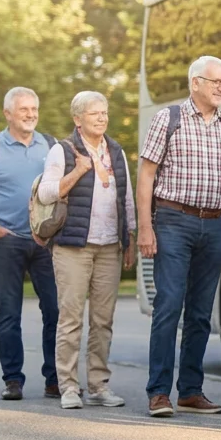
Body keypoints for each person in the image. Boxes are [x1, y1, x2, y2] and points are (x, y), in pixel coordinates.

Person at [137, 56, 221, 418]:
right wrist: (145, 227)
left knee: (199, 313)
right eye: (216, 82)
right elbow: (146, 174)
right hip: (172, 220)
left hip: (214, 224)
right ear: (195, 83)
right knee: (168, 306)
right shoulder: (169, 118)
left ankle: (190, 391)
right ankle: (159, 392)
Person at [0, 87, 61, 401]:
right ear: (8, 114)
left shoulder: (52, 145)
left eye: (34, 109)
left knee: (56, 311)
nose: (30, 114)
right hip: (8, 242)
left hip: (45, 242)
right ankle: (13, 380)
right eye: (23, 110)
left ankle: (55, 379)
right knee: (8, 313)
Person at [37, 91, 136, 409]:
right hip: (73, 247)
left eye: (105, 112)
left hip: (110, 246)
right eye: (95, 113)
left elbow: (127, 198)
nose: (102, 118)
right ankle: (67, 386)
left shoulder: (116, 151)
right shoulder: (62, 150)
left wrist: (130, 237)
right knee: (70, 319)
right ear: (78, 119)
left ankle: (98, 385)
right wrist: (79, 170)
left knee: (103, 319)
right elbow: (47, 192)